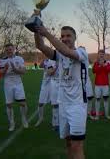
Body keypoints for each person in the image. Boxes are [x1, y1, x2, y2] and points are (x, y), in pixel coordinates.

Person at [35, 25, 88, 159]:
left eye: (68, 36)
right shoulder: (59, 55)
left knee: (77, 145)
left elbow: (67, 52)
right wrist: (36, 29)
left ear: (75, 37)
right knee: (69, 143)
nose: (65, 38)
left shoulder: (81, 52)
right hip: (63, 104)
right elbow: (40, 46)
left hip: (77, 104)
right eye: (62, 36)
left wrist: (46, 33)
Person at [0, 43, 28, 131]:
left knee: (22, 103)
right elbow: (1, 74)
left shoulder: (19, 59)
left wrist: (15, 69)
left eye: (10, 49)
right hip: (8, 84)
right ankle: (11, 123)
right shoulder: (3, 60)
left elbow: (23, 71)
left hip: (18, 83)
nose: (9, 51)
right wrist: (5, 69)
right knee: (9, 104)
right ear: (5, 51)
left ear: (14, 50)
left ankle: (24, 119)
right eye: (7, 50)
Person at [35, 58, 59, 131]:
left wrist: (56, 67)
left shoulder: (57, 60)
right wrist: (43, 61)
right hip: (45, 84)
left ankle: (55, 123)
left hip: (55, 83)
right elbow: (41, 67)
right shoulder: (47, 60)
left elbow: (51, 72)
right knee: (40, 103)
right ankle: (40, 118)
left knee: (55, 104)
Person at [92, 49, 110, 120]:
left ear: (104, 55)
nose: (101, 55)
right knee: (97, 100)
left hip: (105, 84)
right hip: (97, 84)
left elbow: (109, 70)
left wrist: (103, 65)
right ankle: (97, 115)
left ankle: (106, 115)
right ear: (98, 55)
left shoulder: (108, 62)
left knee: (106, 100)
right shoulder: (96, 63)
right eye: (100, 54)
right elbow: (94, 71)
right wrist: (100, 65)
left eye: (102, 54)